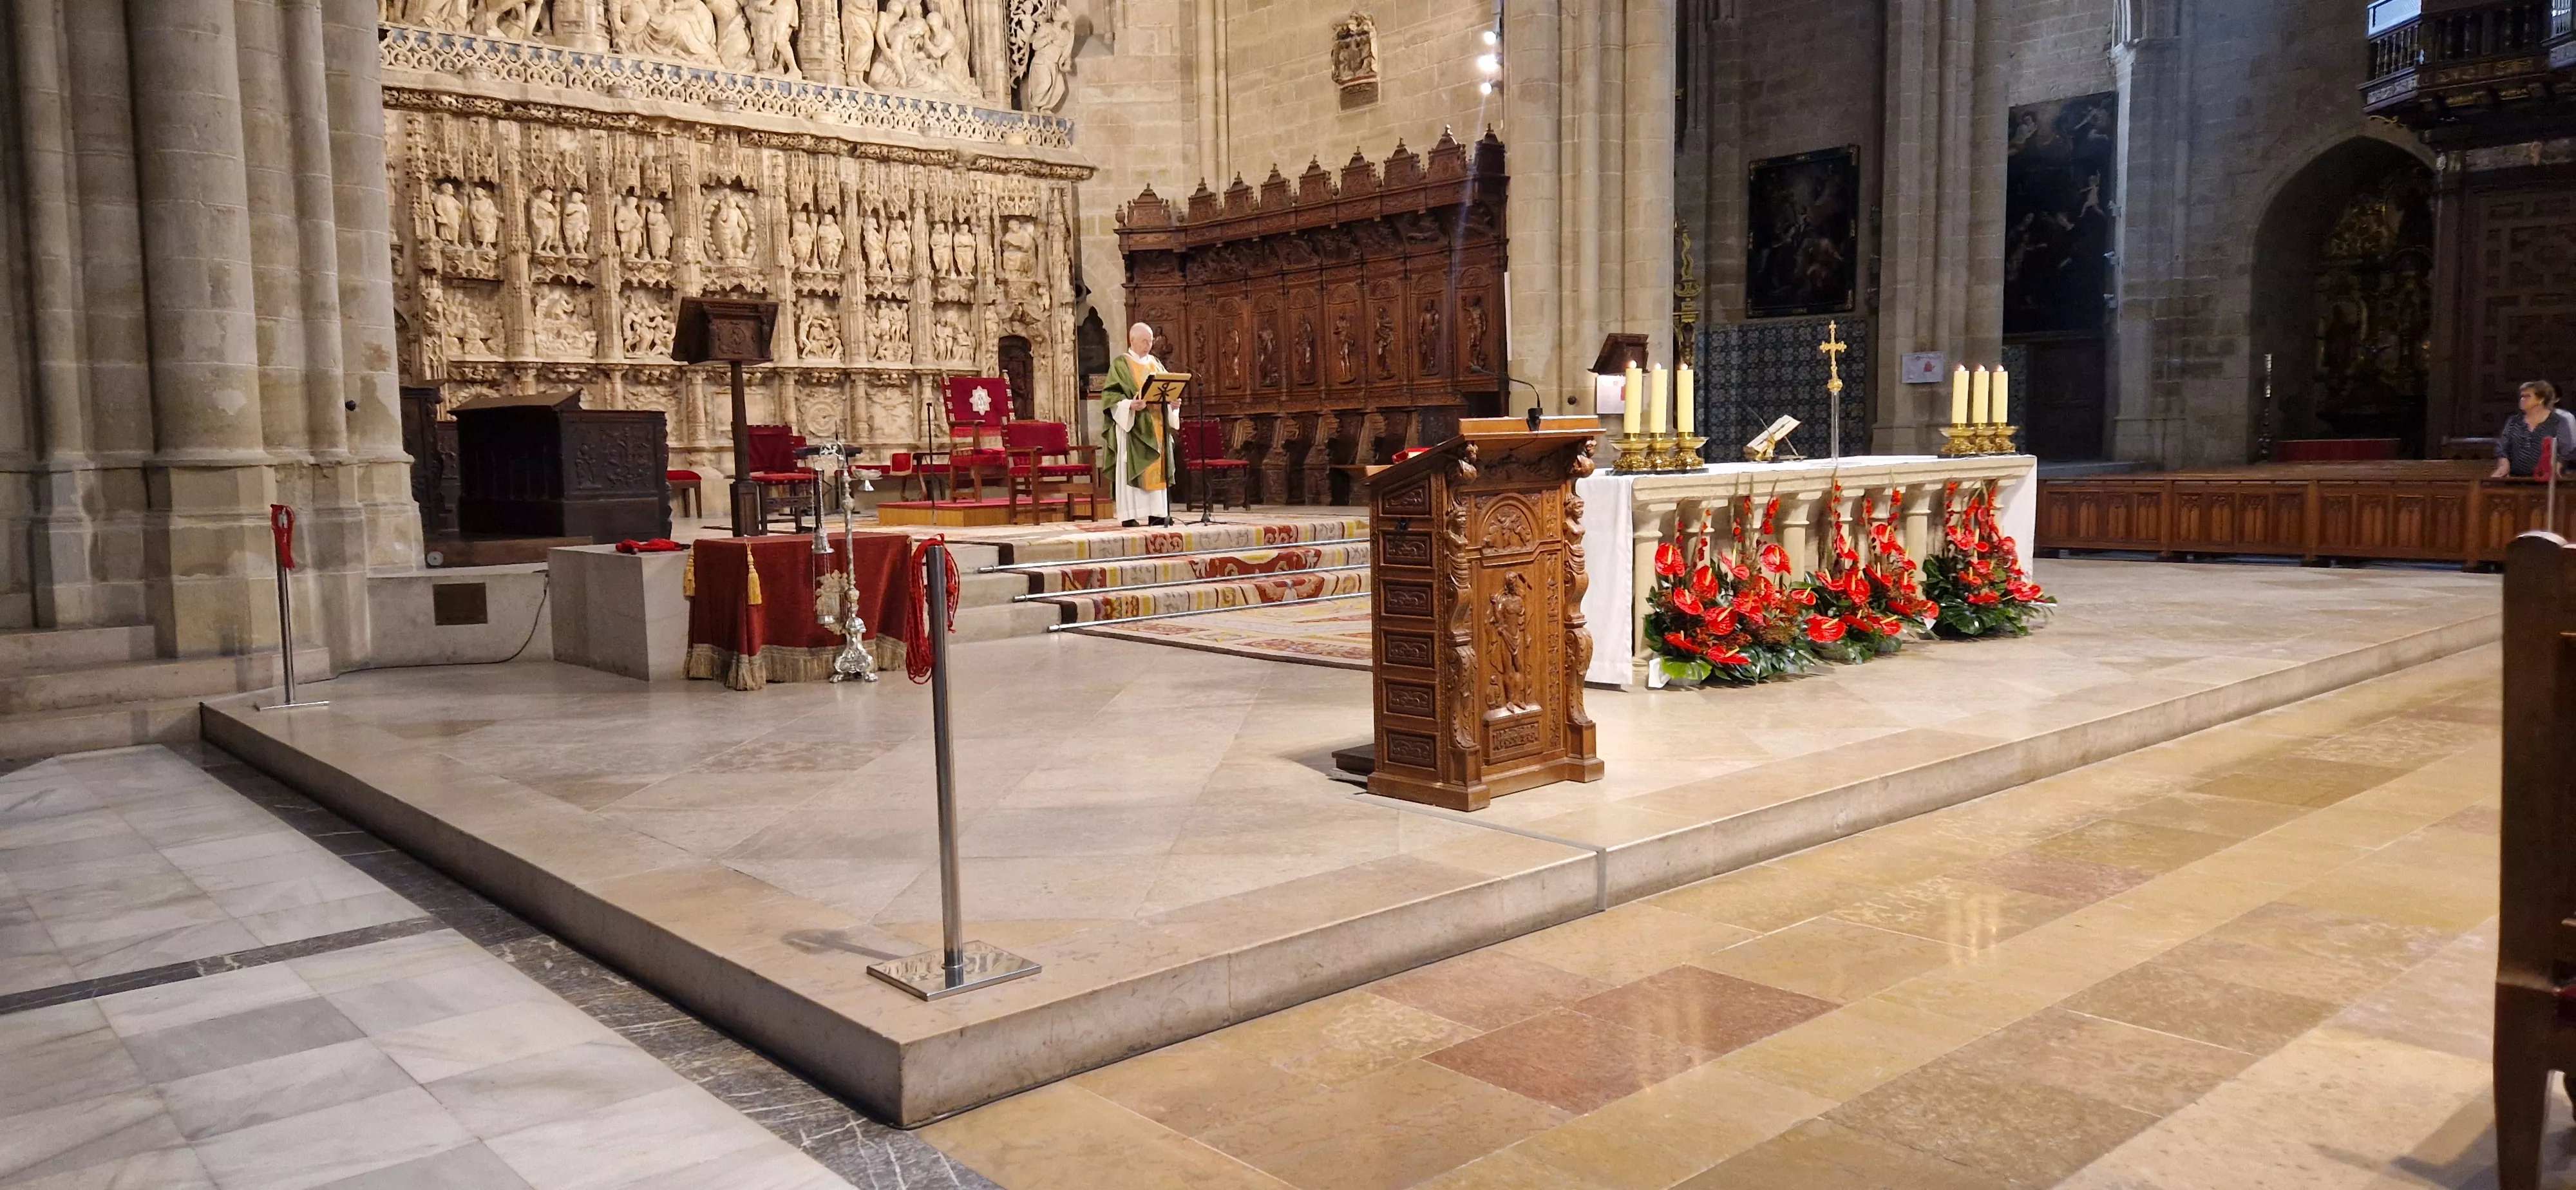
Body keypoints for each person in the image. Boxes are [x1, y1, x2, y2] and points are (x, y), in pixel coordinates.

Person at [1101, 322, 1176, 527]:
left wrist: (1173, 403)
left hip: (1157, 426)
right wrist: (1129, 405)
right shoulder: (1121, 365)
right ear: (1132, 340)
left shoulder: (1156, 364)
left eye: (1151, 341)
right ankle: (1130, 515)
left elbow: (1166, 389)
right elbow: (1110, 397)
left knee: (1157, 468)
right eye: (1144, 341)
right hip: (1134, 428)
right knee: (1134, 468)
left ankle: (1157, 513)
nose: (1148, 345)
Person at [2492, 380, 2576, 478]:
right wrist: (2504, 463)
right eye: (2522, 396)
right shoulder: (2514, 421)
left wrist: (2558, 465)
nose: (2522, 399)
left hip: (2548, 481)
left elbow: (2566, 452)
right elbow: (2502, 448)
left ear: (2541, 399)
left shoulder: (2559, 422)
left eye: (2527, 396)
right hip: (2515, 479)